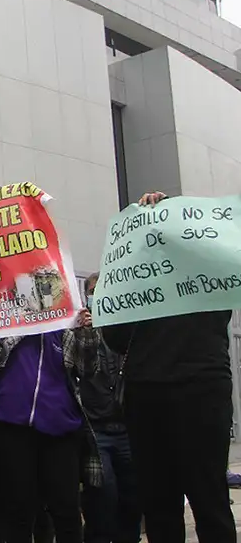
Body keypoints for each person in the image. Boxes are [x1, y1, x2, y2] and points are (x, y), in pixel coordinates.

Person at [102, 191, 236, 543]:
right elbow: (115, 336)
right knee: (174, 499)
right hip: (160, 391)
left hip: (191, 388)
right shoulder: (138, 278)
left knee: (197, 497)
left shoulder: (209, 268)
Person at [0, 322, 103, 543]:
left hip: (60, 427)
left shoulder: (65, 326)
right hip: (8, 426)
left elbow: (88, 368)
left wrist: (85, 330)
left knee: (66, 509)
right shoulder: (6, 320)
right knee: (18, 510)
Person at [78, 273, 141, 543]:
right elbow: (80, 368)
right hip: (97, 431)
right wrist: (86, 333)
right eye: (93, 291)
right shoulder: (80, 330)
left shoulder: (126, 327)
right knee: (103, 497)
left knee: (132, 498)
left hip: (127, 427)